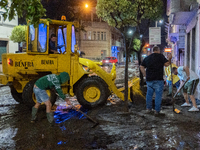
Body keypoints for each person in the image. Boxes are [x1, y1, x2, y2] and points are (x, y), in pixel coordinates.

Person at [140, 46, 172, 116]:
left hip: (149, 80)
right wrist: (170, 59)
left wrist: (145, 75)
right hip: (158, 79)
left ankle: (148, 109)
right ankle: (157, 111)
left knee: (149, 95)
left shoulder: (148, 58)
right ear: (158, 50)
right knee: (158, 95)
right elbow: (167, 64)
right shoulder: (160, 56)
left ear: (152, 51)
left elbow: (141, 66)